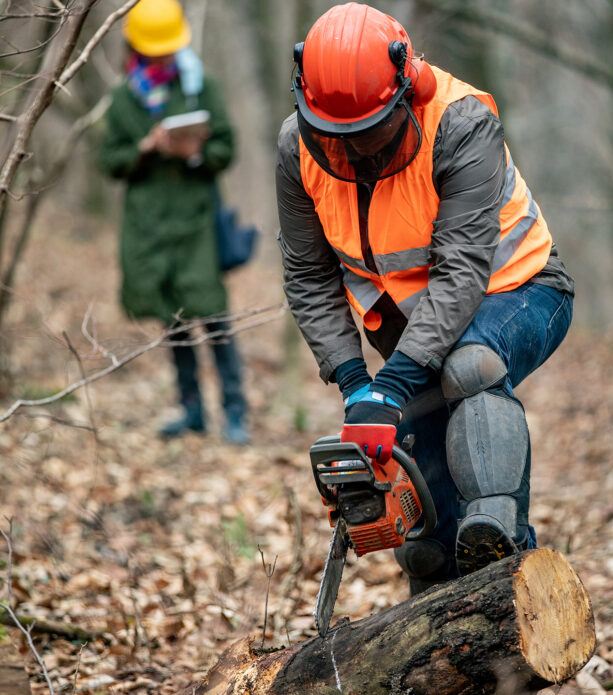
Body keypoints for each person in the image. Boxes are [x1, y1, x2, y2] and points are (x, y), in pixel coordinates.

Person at [276, 3, 574, 593]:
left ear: (406, 93)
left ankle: (502, 545)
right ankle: (436, 623)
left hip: (521, 292)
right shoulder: (296, 151)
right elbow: (309, 276)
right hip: (416, 329)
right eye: (334, 138)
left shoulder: (461, 125)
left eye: (368, 134)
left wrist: (394, 382)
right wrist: (358, 385)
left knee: (471, 367)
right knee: (427, 541)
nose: (353, 153)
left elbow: (462, 271)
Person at [99, 0, 249, 444]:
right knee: (175, 325)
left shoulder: (201, 86)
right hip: (149, 229)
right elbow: (109, 161)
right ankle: (192, 411)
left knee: (216, 322)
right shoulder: (125, 97)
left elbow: (226, 146)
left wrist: (195, 153)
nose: (163, 56)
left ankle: (235, 415)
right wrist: (144, 149)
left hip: (197, 226)